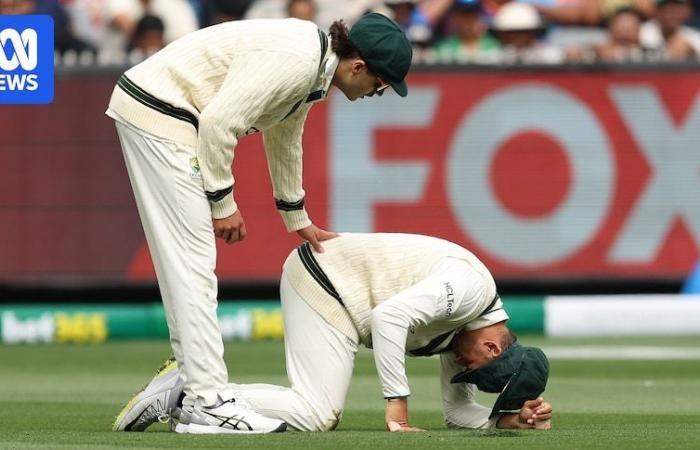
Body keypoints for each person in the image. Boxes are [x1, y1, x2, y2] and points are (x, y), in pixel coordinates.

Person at [107, 13, 412, 435]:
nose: (377, 93)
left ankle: (189, 380)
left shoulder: (313, 66)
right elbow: (218, 122)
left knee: (190, 265)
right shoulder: (298, 60)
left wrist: (296, 215)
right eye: (381, 84)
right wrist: (222, 201)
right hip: (163, 113)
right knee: (192, 265)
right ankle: (207, 401)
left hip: (162, 111)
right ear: (358, 67)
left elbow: (285, 135)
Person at [114, 233, 553, 432]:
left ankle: (190, 401)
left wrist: (507, 418)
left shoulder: (469, 336)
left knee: (316, 415)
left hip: (343, 295)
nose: (462, 368)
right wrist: (397, 410)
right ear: (494, 345)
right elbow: (387, 318)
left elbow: (458, 415)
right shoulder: (469, 291)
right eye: (474, 368)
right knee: (317, 414)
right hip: (325, 280)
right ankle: (187, 392)